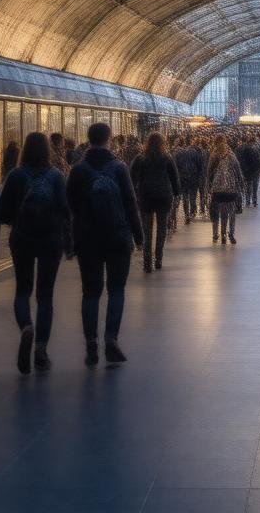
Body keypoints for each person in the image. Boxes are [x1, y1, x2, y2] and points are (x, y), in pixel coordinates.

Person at [67, 123, 143, 367]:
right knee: (116, 290)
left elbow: (68, 207)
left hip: (87, 238)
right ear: (109, 139)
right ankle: (111, 338)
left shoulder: (78, 170)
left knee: (90, 292)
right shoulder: (119, 168)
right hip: (117, 236)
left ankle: (91, 342)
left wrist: (69, 240)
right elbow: (131, 203)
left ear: (88, 140)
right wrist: (138, 236)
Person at [0, 131, 72, 373]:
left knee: (23, 289)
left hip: (22, 239)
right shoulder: (56, 175)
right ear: (47, 151)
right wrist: (70, 243)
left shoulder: (16, 175)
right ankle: (41, 347)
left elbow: (2, 212)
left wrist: (17, 220)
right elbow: (66, 211)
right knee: (45, 294)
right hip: (51, 240)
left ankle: (26, 327)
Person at [129, 132, 179, 272]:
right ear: (162, 143)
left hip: (146, 197)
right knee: (162, 229)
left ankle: (146, 262)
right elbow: (174, 177)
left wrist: (134, 192)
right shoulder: (167, 158)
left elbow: (132, 177)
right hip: (163, 197)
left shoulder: (140, 158)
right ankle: (158, 259)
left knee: (147, 230)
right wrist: (176, 193)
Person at [207, 135, 243, 244]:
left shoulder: (213, 155)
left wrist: (209, 185)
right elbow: (238, 171)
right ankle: (231, 233)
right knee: (231, 212)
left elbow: (209, 172)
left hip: (217, 189)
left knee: (218, 212)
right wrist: (240, 184)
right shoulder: (232, 156)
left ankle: (220, 234)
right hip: (230, 188)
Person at [174, 136, 204, 225]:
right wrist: (199, 176)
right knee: (193, 196)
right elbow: (200, 166)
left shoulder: (178, 154)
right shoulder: (195, 153)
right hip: (193, 177)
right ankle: (192, 212)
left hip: (183, 178)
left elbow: (176, 167)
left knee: (185, 196)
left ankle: (187, 214)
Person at [237, 135, 260, 209]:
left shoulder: (245, 148)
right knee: (255, 187)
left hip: (248, 171)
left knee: (248, 186)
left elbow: (243, 160)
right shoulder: (257, 148)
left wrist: (244, 170)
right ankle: (254, 201)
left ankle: (248, 201)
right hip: (256, 171)